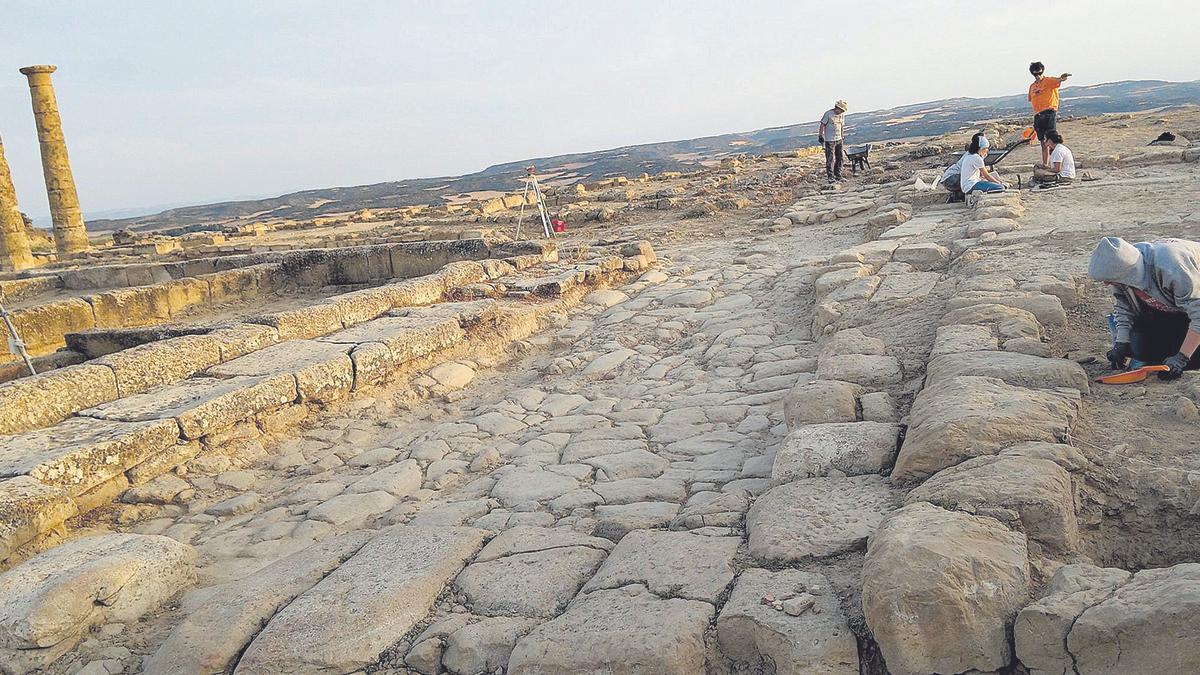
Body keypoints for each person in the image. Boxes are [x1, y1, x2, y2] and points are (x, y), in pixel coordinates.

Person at [1089, 236, 1200, 380]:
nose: (1105, 283)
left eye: (1108, 280)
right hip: (1175, 308)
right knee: (1143, 353)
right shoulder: (1122, 268)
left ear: (1124, 274)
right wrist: (1122, 343)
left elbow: (1198, 313)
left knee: (1192, 361)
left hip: (1195, 302)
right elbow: (1123, 307)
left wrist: (1182, 357)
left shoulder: (1172, 266)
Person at [1028, 62, 1071, 167]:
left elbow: (1058, 80)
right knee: (1042, 141)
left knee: (1052, 139)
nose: (1037, 76)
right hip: (1038, 114)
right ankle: (1045, 163)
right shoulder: (1032, 86)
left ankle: (1057, 163)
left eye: (1039, 73)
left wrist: (1062, 77)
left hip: (1049, 112)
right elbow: (1030, 99)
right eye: (1035, 74)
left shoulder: (1048, 81)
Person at [819, 100, 848, 182]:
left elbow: (842, 125)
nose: (842, 111)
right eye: (841, 110)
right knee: (830, 159)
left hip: (839, 139)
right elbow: (822, 125)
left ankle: (838, 175)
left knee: (840, 158)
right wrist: (820, 136)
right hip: (829, 140)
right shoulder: (828, 114)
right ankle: (830, 177)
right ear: (837, 107)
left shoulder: (841, 115)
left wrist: (842, 136)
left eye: (843, 110)